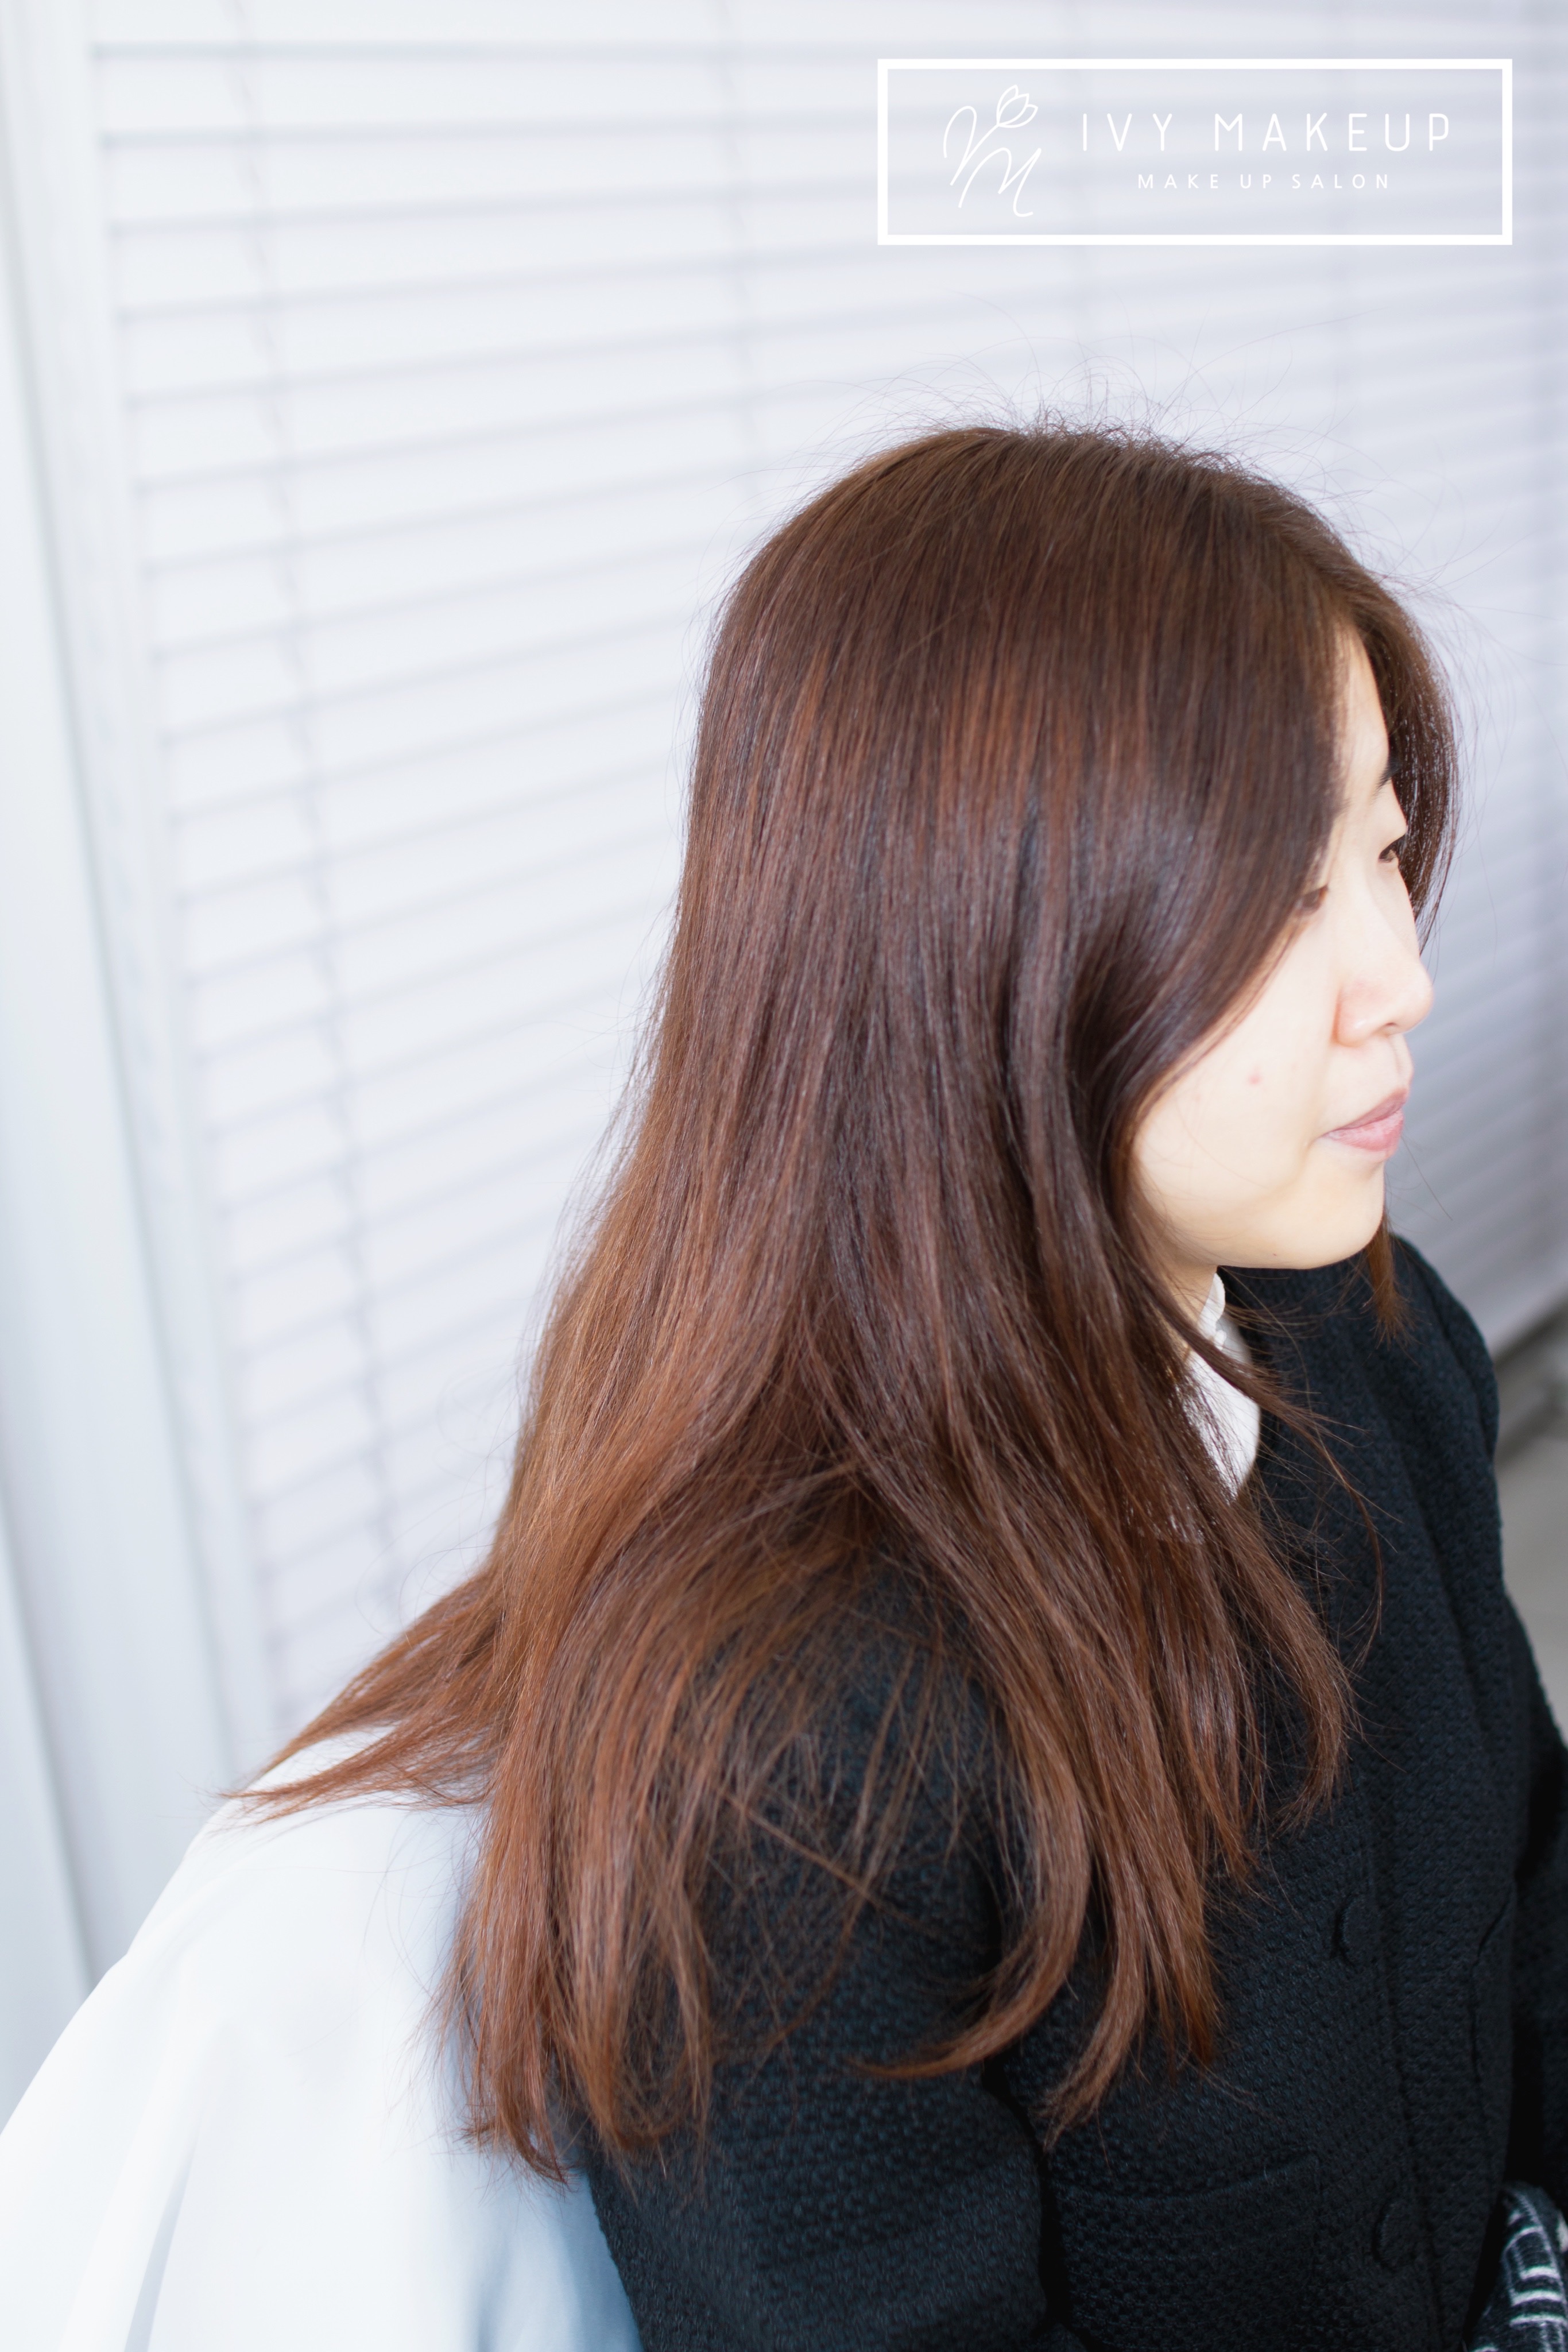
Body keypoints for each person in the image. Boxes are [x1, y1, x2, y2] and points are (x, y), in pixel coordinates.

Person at [2, 423, 1565, 2352]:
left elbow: (1531, 1898)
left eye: (1384, 853)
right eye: (1278, 898)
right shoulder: (786, 1738)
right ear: (976, 946)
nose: (1398, 975)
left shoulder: (1364, 1338)